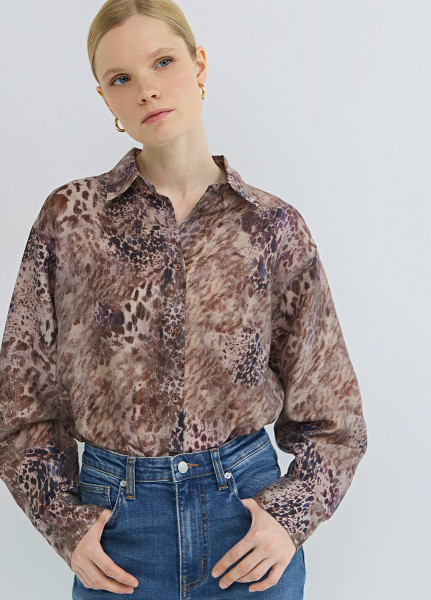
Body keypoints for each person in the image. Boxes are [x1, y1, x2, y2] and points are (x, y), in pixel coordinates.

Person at [0, 0, 368, 598]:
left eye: (163, 62)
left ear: (199, 65)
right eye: (122, 78)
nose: (146, 89)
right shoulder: (70, 219)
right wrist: (65, 523)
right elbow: (20, 398)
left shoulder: (271, 226)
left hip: (245, 525)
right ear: (105, 99)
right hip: (118, 536)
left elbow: (334, 416)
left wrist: (289, 518)